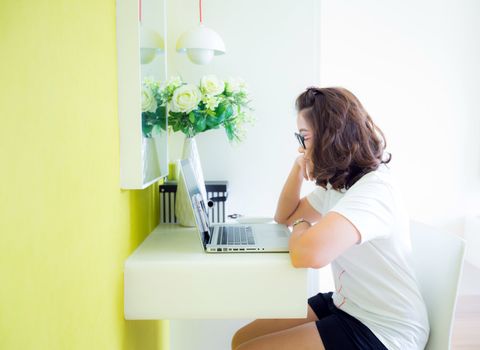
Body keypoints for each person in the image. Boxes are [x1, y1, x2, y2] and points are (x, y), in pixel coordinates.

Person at [231, 87, 429, 350]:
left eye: (305, 138)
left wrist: (302, 226)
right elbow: (284, 217)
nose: (302, 146)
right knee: (241, 340)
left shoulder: (374, 190)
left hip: (385, 330)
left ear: (329, 138)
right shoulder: (339, 184)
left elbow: (307, 255)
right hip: (347, 303)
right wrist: (298, 167)